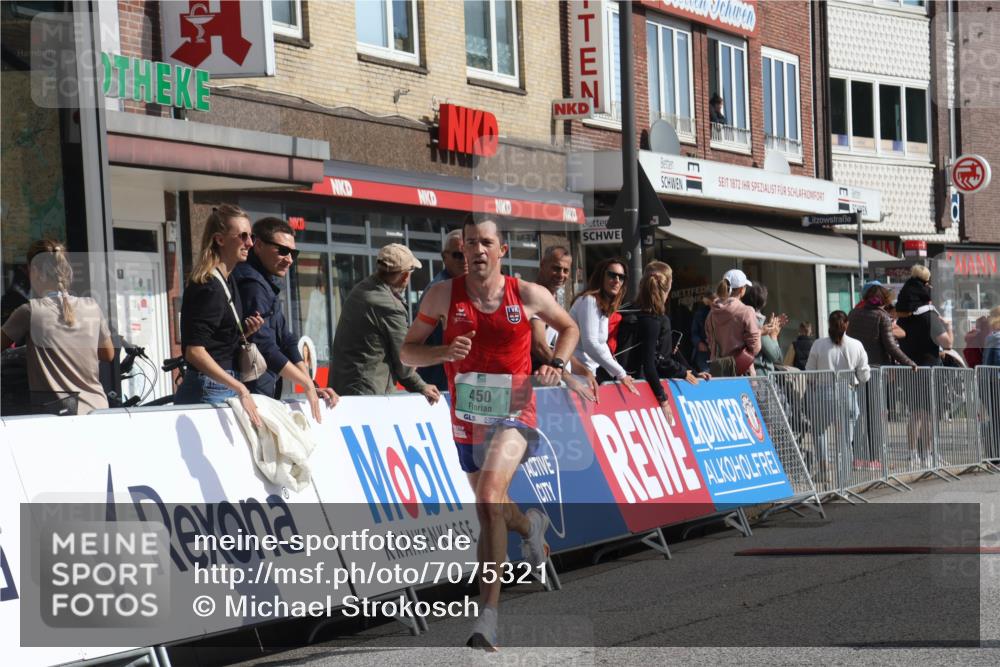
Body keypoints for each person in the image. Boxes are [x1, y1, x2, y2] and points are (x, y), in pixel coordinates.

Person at [400, 216, 592, 651]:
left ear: (501, 250)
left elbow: (570, 328)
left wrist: (557, 365)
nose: (478, 251)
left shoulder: (525, 293)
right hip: (467, 415)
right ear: (461, 251)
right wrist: (443, 351)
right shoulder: (441, 294)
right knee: (493, 507)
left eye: (486, 243)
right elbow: (407, 351)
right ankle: (530, 526)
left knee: (487, 498)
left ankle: (487, 618)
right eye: (470, 244)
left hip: (515, 410)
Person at [233, 217, 337, 422]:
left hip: (260, 388)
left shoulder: (265, 281)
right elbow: (265, 346)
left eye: (293, 253)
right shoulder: (252, 284)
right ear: (259, 245)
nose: (289, 259)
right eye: (282, 250)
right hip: (250, 392)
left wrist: (309, 382)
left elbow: (286, 339)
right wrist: (307, 384)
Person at [1, 240, 116, 415]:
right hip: (97, 411)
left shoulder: (29, 311)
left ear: (35, 272)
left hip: (58, 416)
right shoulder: (92, 306)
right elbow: (108, 354)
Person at [175, 205, 265, 427]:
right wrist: (240, 388)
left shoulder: (227, 279)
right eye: (243, 236)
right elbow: (194, 351)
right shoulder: (209, 286)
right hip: (211, 386)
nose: (250, 243)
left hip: (219, 383)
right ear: (220, 240)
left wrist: (243, 331)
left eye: (251, 236)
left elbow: (213, 339)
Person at [330, 243, 440, 404]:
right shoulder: (390, 306)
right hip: (367, 396)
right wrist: (422, 385)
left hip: (343, 388)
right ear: (404, 276)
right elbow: (405, 362)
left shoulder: (361, 289)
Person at [623, 264, 709, 424]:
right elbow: (657, 360)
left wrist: (692, 371)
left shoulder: (627, 311)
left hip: (621, 383)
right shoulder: (656, 320)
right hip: (645, 389)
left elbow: (671, 351)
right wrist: (664, 398)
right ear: (668, 287)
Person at [895, 265, 953, 468]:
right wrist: (949, 326)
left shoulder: (904, 317)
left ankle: (912, 455)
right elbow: (947, 343)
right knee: (929, 415)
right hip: (929, 368)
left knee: (914, 414)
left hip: (910, 367)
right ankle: (928, 455)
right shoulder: (930, 315)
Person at [805, 311, 870, 484]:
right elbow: (864, 374)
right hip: (847, 392)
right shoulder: (856, 345)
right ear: (847, 324)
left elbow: (809, 373)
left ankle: (824, 468)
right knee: (846, 438)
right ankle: (844, 474)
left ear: (829, 324)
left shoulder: (818, 345)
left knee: (819, 431)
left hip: (823, 392)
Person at [530, 246, 599, 397]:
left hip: (547, 382)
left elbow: (555, 348)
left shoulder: (551, 298)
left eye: (565, 270)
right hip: (533, 384)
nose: (561, 275)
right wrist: (568, 378)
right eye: (556, 268)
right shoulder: (535, 295)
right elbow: (539, 346)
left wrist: (583, 370)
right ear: (542, 265)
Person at [569, 258, 639, 393]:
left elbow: (601, 344)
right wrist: (620, 373)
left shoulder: (603, 305)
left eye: (621, 277)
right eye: (612, 275)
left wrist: (619, 373)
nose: (617, 280)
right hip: (573, 376)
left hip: (586, 375)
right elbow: (590, 343)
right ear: (601, 276)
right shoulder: (589, 300)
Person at [416, 230, 468, 390]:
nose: (465, 260)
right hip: (440, 384)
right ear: (445, 257)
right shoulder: (440, 291)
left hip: (452, 382)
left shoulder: (462, 286)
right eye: (458, 255)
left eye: (468, 253)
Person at [706, 269, 761, 376]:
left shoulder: (712, 313)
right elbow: (755, 346)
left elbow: (710, 341)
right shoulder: (746, 311)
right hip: (742, 369)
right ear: (741, 289)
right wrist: (760, 332)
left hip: (718, 370)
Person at [741, 283, 785, 375]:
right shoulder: (756, 323)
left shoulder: (740, 319)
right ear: (763, 302)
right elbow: (776, 357)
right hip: (760, 378)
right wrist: (773, 335)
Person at [690, 289, 716, 373]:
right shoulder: (700, 314)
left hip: (718, 352)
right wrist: (698, 343)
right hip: (704, 352)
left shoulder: (723, 312)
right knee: (707, 375)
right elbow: (694, 333)